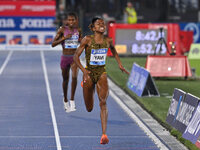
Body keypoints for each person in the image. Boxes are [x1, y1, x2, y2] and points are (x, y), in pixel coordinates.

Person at [73, 17, 129, 144]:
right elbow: (76, 56)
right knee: (89, 108)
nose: (102, 25)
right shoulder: (87, 40)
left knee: (103, 102)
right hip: (88, 73)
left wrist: (120, 64)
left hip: (101, 73)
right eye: (99, 24)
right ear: (93, 28)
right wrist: (83, 71)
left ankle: (104, 134)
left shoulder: (108, 40)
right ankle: (87, 85)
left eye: (103, 24)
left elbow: (114, 51)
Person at [52, 12, 82, 113]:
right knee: (65, 80)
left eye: (73, 20)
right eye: (69, 20)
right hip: (65, 57)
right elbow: (53, 44)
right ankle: (65, 99)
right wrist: (64, 38)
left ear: (76, 20)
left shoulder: (78, 30)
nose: (71, 22)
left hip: (74, 57)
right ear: (66, 21)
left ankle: (72, 100)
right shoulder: (62, 30)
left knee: (74, 77)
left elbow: (81, 42)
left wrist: (82, 41)